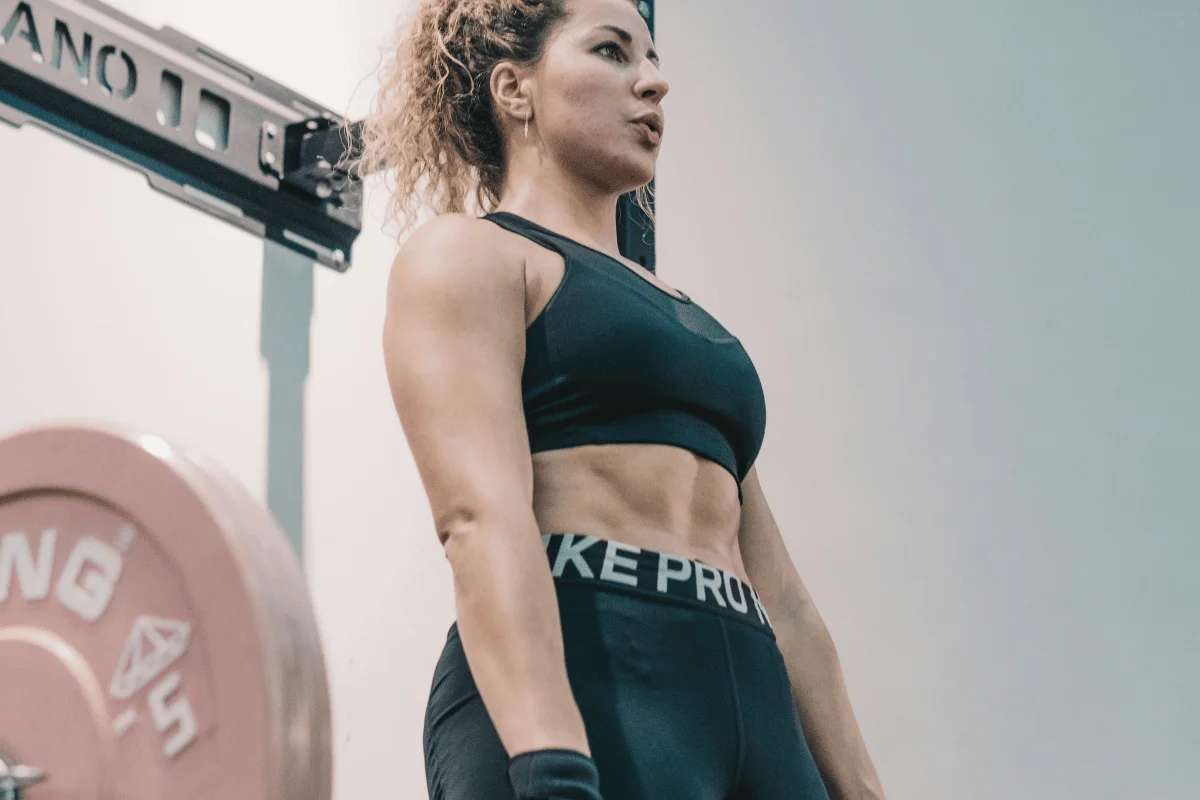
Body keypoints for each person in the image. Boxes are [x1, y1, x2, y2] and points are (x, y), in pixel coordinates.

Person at [351, 0, 885, 797]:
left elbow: (787, 598)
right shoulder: (473, 257)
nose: (654, 83)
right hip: (594, 680)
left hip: (748, 690)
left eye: (655, 60)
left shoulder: (689, 317)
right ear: (514, 90)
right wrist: (550, 761)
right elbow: (479, 520)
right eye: (612, 52)